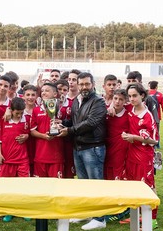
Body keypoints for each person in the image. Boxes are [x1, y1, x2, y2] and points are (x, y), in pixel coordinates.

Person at [59, 72, 107, 230]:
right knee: (84, 184)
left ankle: (100, 218)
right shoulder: (77, 101)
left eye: (87, 84)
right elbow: (74, 121)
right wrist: (62, 123)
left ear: (93, 84)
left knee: (95, 184)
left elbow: (91, 123)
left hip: (93, 147)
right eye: (81, 84)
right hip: (79, 146)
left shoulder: (98, 101)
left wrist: (70, 130)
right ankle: (87, 212)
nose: (84, 87)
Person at [121, 83, 159, 229]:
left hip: (144, 156)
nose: (131, 99)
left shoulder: (147, 116)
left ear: (142, 96)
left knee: (148, 186)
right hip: (130, 154)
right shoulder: (130, 109)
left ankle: (152, 219)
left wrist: (133, 137)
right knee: (133, 185)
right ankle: (136, 216)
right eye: (129, 96)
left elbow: (154, 140)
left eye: (135, 95)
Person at [0, 97, 30, 222]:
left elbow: (29, 133)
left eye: (21, 113)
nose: (19, 115)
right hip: (7, 159)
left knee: (24, 187)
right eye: (17, 113)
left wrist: (26, 135)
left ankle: (23, 210)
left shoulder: (26, 120)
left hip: (22, 159)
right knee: (7, 187)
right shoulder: (4, 120)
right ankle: (9, 211)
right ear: (11, 110)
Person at [30, 82, 64, 178]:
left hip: (56, 157)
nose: (44, 93)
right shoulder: (36, 110)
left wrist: (61, 129)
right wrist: (44, 136)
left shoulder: (61, 109)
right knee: (40, 188)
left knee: (56, 188)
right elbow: (32, 131)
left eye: (47, 91)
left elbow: (67, 128)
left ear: (55, 94)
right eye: (42, 91)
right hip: (40, 156)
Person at [104, 89, 129, 180]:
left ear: (125, 101)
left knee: (119, 175)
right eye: (115, 98)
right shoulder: (106, 111)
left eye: (121, 99)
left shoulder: (128, 113)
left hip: (121, 150)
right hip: (107, 148)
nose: (117, 101)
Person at [22, 84, 38, 176]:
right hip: (24, 148)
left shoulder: (41, 109)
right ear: (23, 96)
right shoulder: (18, 111)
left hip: (37, 147)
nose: (30, 97)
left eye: (33, 95)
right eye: (28, 95)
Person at [148, 80, 163, 147]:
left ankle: (148, 142)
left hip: (147, 116)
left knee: (148, 129)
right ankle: (157, 144)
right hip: (156, 116)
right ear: (156, 86)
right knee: (157, 131)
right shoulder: (160, 94)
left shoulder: (146, 94)